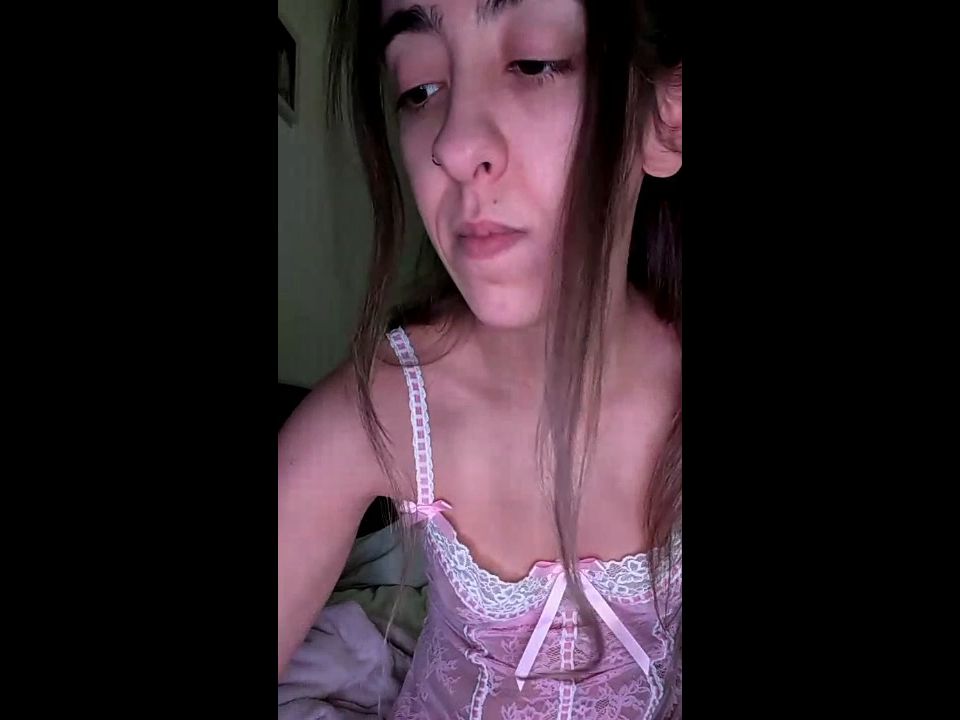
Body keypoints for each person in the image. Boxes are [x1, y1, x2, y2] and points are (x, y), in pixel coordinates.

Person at [279, 0, 682, 717]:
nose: (453, 145)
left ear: (666, 120)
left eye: (533, 63)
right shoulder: (373, 413)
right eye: (420, 88)